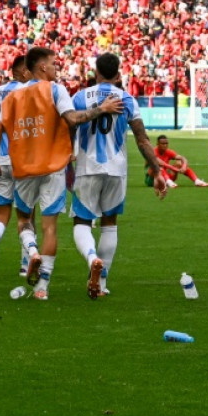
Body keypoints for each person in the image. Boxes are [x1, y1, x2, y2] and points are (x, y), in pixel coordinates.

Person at [0, 46, 123, 300]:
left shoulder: (12, 97)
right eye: (53, 64)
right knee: (50, 227)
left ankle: (32, 251)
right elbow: (73, 119)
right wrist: (101, 109)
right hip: (53, 168)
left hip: (24, 168)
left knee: (24, 220)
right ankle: (42, 288)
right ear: (42, 67)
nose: (56, 68)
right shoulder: (55, 90)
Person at [71, 53, 167, 299]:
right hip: (116, 169)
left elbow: (68, 126)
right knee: (109, 223)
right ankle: (102, 284)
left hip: (87, 167)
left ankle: (92, 258)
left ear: (96, 72)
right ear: (117, 74)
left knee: (82, 222)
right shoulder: (127, 99)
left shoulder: (80, 97)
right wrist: (157, 172)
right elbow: (142, 140)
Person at [0, 55, 31, 280]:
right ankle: (25, 264)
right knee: (26, 216)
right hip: (24, 160)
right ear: (23, 71)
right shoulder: (30, 91)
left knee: (1, 213)